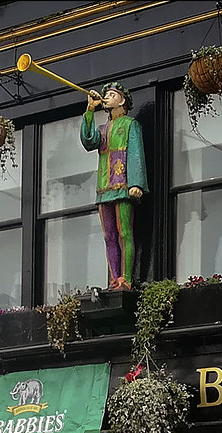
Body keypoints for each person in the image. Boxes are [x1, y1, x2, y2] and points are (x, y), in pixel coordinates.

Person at [80, 81, 147, 290]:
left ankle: (125, 279)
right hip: (104, 188)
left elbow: (136, 154)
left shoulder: (130, 124)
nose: (107, 97)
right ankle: (113, 278)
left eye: (111, 94)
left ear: (122, 100)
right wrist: (90, 110)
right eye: (106, 95)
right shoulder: (102, 129)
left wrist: (136, 183)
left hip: (122, 186)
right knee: (108, 236)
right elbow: (88, 140)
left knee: (124, 232)